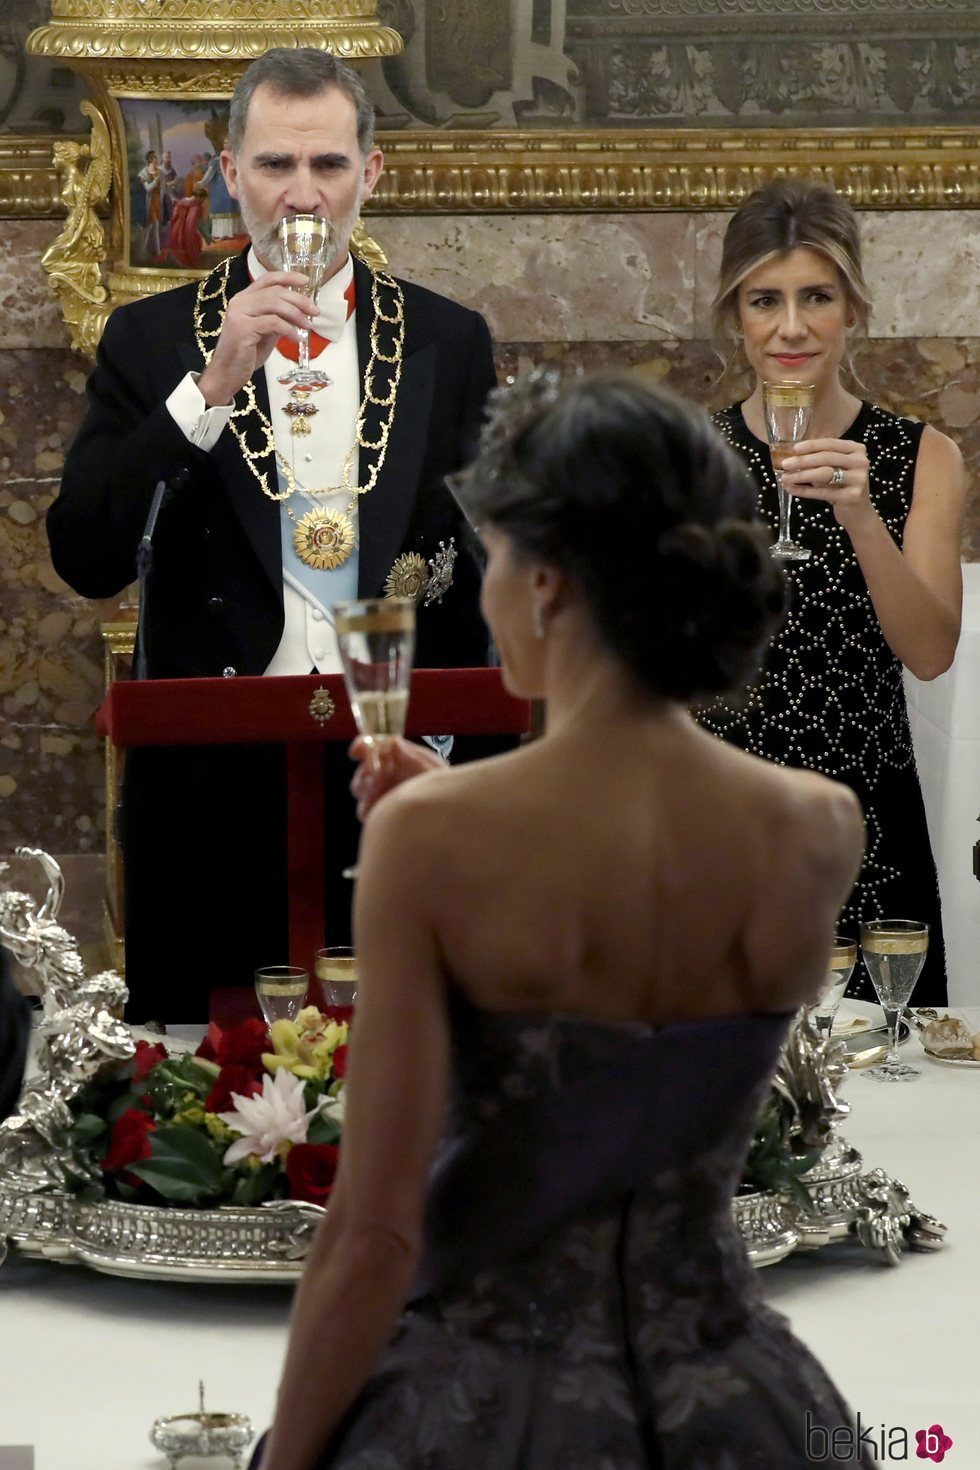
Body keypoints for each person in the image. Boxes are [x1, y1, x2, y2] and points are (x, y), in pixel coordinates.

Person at [250, 372, 868, 1470]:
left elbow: (374, 1235)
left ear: (541, 582)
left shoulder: (435, 840)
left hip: (482, 1407)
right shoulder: (816, 826)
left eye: (486, 556)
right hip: (736, 1405)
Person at [46, 48, 497, 1023]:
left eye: (328, 165)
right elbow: (83, 554)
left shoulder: (449, 341)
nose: (303, 194)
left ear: (369, 175)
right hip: (214, 795)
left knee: (420, 1106)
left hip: (399, 780)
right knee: (208, 1123)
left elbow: (497, 569)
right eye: (276, 165)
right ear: (230, 174)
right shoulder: (150, 340)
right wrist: (207, 389)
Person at [699, 178, 963, 1006]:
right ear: (733, 317)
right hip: (721, 822)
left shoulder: (923, 456)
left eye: (816, 297)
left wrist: (860, 517)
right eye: (763, 300)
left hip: (864, 830)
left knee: (888, 1103)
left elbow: (929, 651)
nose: (790, 327)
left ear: (852, 308)